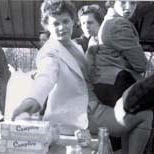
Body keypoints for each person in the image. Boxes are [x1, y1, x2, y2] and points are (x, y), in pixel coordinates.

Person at [11, 0, 152, 153]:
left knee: (143, 114)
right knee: (144, 116)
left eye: (65, 21)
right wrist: (33, 98)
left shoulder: (76, 47)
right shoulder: (49, 51)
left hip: (95, 108)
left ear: (73, 21)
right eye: (55, 23)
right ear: (47, 25)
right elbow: (46, 75)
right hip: (78, 116)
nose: (62, 28)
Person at [88, 1, 147, 107]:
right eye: (123, 2)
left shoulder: (108, 19)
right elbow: (141, 65)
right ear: (112, 2)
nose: (128, 7)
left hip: (105, 81)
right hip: (117, 83)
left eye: (133, 3)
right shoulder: (119, 23)